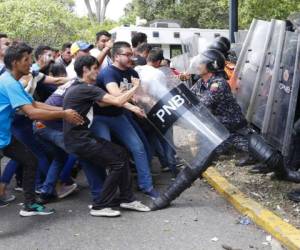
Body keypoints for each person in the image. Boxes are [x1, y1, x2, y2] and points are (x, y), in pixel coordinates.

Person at [0, 43, 83, 215]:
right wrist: (64, 115)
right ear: (15, 63)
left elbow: (34, 103)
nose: (30, 63)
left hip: (4, 136)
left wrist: (63, 110)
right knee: (31, 160)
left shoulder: (11, 80)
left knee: (31, 161)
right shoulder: (9, 83)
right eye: (26, 59)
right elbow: (32, 113)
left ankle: (29, 205)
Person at [63, 55, 150, 217]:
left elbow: (103, 102)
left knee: (121, 154)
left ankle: (127, 198)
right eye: (95, 68)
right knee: (117, 162)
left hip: (79, 137)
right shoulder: (85, 88)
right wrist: (134, 88)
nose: (98, 72)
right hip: (79, 140)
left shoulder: (79, 86)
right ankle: (100, 205)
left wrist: (121, 92)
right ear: (85, 70)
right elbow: (117, 102)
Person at [92, 41, 159, 199]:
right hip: (100, 117)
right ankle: (106, 190)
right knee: (105, 154)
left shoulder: (133, 73)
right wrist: (133, 101)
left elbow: (139, 95)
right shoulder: (108, 73)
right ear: (116, 56)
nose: (131, 58)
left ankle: (146, 185)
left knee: (139, 148)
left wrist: (153, 102)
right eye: (127, 55)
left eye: (132, 54)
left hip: (119, 116)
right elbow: (115, 95)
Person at [190, 49, 255, 164]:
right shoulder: (201, 82)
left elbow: (202, 105)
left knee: (256, 150)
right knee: (209, 153)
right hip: (218, 127)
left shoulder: (218, 84)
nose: (197, 65)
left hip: (231, 127)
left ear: (212, 65)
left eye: (201, 62)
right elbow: (189, 96)